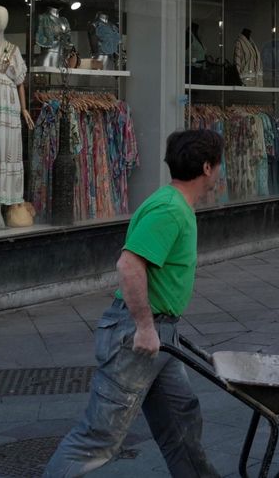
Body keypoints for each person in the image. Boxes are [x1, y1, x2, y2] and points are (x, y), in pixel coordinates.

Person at [44, 130, 224, 478]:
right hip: (138, 337)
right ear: (206, 167)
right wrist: (144, 327)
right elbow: (129, 265)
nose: (219, 172)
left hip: (161, 335)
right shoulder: (170, 209)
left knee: (181, 421)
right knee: (98, 438)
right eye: (218, 165)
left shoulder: (174, 205)